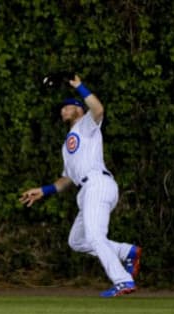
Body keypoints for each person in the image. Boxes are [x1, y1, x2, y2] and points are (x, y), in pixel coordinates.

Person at [19, 74, 142, 298]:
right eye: (62, 108)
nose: (62, 110)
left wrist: (79, 86)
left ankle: (123, 280)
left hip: (97, 183)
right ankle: (127, 251)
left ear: (79, 110)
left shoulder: (87, 125)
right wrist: (43, 191)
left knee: (95, 237)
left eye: (67, 106)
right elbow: (66, 179)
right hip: (86, 191)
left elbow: (99, 109)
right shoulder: (67, 145)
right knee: (77, 241)